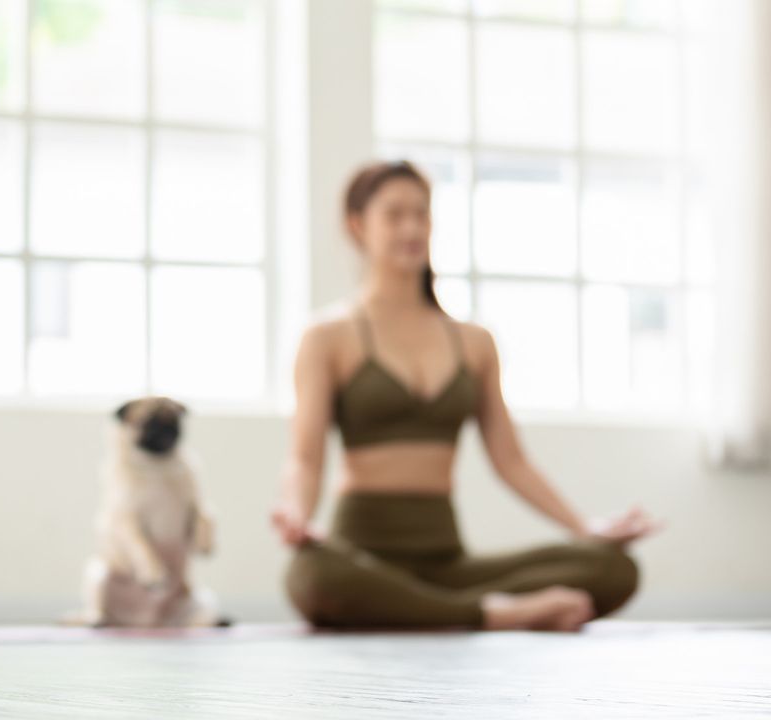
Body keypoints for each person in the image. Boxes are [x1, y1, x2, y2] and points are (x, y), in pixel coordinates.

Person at [271, 159, 665, 631]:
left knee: (613, 567)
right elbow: (306, 458)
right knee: (313, 578)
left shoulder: (473, 342)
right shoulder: (327, 337)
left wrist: (586, 528)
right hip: (362, 556)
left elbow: (511, 460)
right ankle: (493, 613)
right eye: (395, 215)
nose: (412, 227)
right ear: (358, 225)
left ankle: (440, 608)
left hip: (449, 561)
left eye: (422, 213)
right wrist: (296, 514)